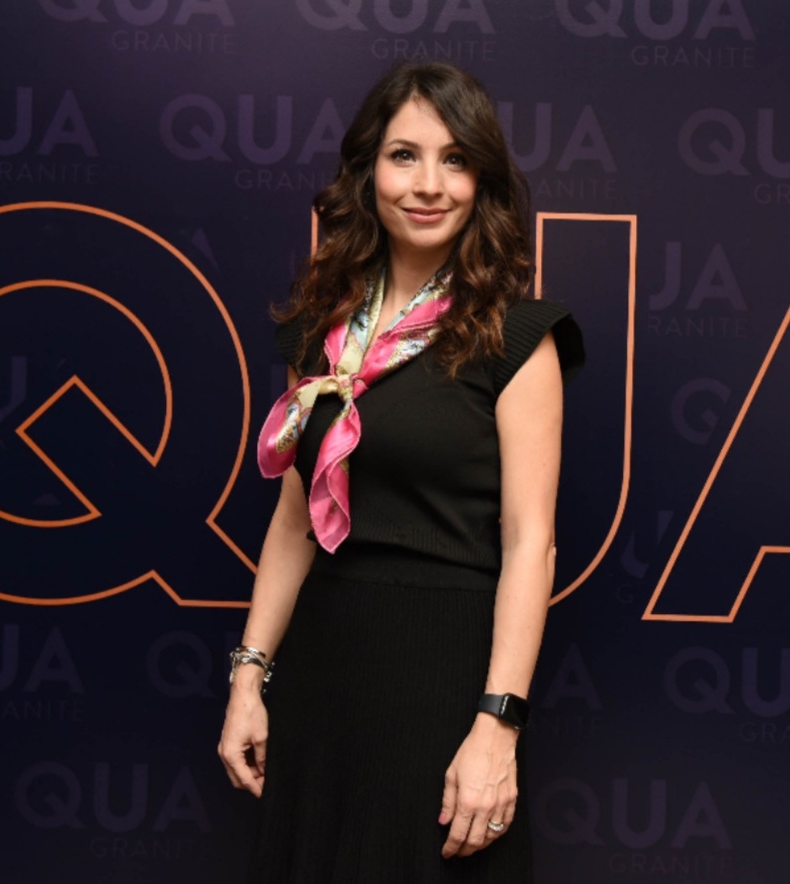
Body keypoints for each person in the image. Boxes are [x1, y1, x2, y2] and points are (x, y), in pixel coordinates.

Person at [218, 60, 584, 883]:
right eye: (403, 156)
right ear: (366, 172)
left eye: (455, 160)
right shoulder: (320, 333)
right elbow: (295, 520)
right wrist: (248, 679)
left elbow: (530, 544)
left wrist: (497, 726)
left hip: (445, 688)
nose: (428, 185)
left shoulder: (517, 337)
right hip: (322, 683)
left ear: (481, 183)